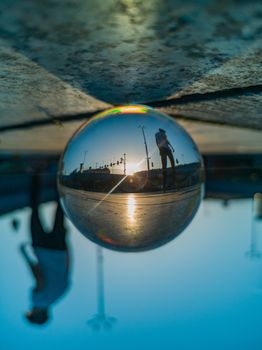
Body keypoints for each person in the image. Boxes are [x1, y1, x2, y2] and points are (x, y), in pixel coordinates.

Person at [20, 173, 70, 325]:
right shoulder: (39, 300)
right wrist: (25, 255)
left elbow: (68, 264)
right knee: (34, 210)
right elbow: (39, 277)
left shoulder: (62, 293)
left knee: (59, 210)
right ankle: (37, 172)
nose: (31, 308)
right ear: (36, 313)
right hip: (42, 248)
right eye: (31, 312)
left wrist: (66, 242)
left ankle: (59, 175)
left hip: (60, 249)